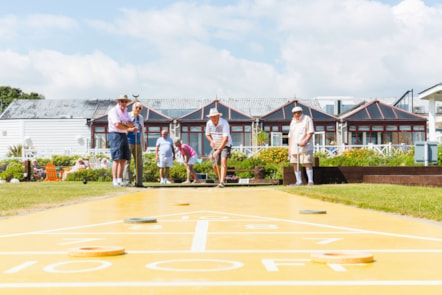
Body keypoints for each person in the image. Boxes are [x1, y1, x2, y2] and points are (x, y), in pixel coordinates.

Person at [107, 94, 134, 187]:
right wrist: (126, 126)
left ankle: (119, 179)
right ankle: (114, 180)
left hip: (124, 135)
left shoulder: (126, 111)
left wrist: (125, 124)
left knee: (123, 159)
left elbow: (131, 124)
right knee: (116, 159)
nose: (124, 103)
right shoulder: (113, 111)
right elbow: (117, 125)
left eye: (126, 102)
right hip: (115, 135)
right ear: (119, 102)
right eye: (122, 101)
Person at [205, 107, 232, 188]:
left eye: (214, 116)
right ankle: (220, 180)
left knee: (223, 160)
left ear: (218, 116)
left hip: (225, 144)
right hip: (216, 144)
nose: (213, 118)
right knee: (214, 165)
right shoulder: (209, 123)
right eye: (211, 117)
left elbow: (225, 139)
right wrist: (211, 141)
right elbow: (207, 134)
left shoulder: (224, 123)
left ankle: (222, 181)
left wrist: (219, 150)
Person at [288, 106, 315, 186]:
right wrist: (289, 148)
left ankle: (310, 181)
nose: (296, 114)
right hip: (294, 146)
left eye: (298, 112)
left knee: (307, 162)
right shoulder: (292, 121)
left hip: (306, 146)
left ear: (301, 112)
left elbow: (310, 132)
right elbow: (290, 136)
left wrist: (305, 141)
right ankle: (298, 182)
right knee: (295, 163)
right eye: (294, 113)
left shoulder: (307, 119)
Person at [123, 102, 147, 188]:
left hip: (138, 142)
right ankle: (126, 181)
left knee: (139, 163)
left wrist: (144, 142)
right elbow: (122, 128)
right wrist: (131, 129)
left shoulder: (141, 118)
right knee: (127, 162)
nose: (138, 109)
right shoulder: (127, 116)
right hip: (128, 141)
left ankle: (138, 182)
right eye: (137, 107)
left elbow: (142, 131)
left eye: (140, 108)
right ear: (133, 108)